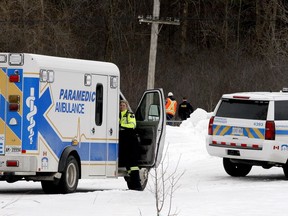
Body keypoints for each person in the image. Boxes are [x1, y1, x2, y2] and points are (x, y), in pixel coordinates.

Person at [119, 100, 141, 190]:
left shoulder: (130, 114)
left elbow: (132, 125)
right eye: (120, 105)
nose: (122, 106)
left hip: (131, 140)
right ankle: (132, 185)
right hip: (122, 140)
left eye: (123, 105)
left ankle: (137, 185)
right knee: (127, 163)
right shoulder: (117, 114)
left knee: (133, 164)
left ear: (126, 106)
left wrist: (121, 124)